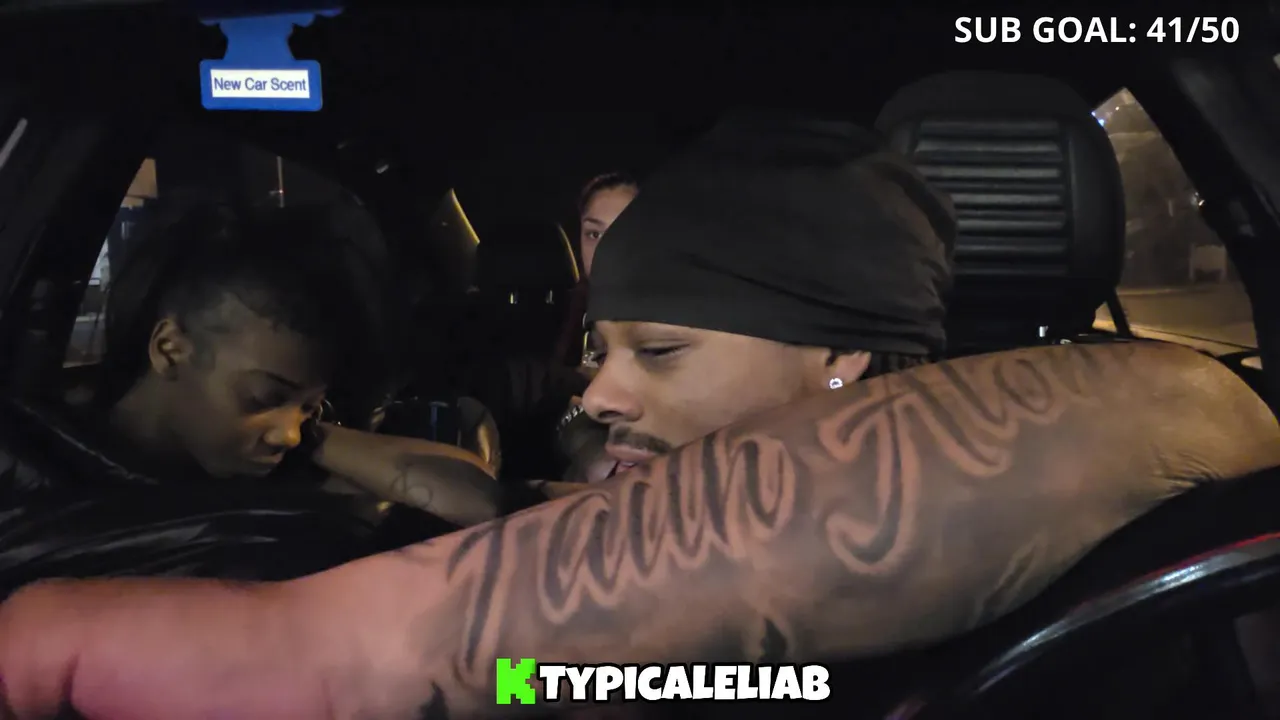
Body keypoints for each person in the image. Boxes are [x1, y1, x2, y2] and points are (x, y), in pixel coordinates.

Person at [2, 115, 1278, 720]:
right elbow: (562, 674)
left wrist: (337, 648)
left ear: (843, 353)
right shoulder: (638, 580)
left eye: (660, 351)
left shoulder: (1119, 449)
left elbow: (1174, 402)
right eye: (601, 351)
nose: (600, 391)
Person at [87, 204, 506, 527]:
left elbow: (479, 501)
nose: (288, 433)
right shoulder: (64, 467)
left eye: (309, 407)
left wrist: (314, 437)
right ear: (169, 349)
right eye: (265, 397)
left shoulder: (277, 462)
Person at [552, 173, 639, 368]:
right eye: (594, 234)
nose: (604, 249)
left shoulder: (676, 329)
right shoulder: (566, 318)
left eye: (624, 232)